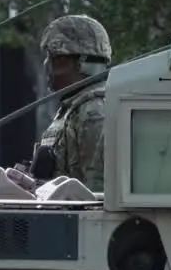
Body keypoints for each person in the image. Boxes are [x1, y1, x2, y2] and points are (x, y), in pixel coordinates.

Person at [28, 14, 112, 192]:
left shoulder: (94, 111)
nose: (46, 64)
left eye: (52, 57)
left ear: (67, 61)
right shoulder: (74, 107)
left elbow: (96, 193)